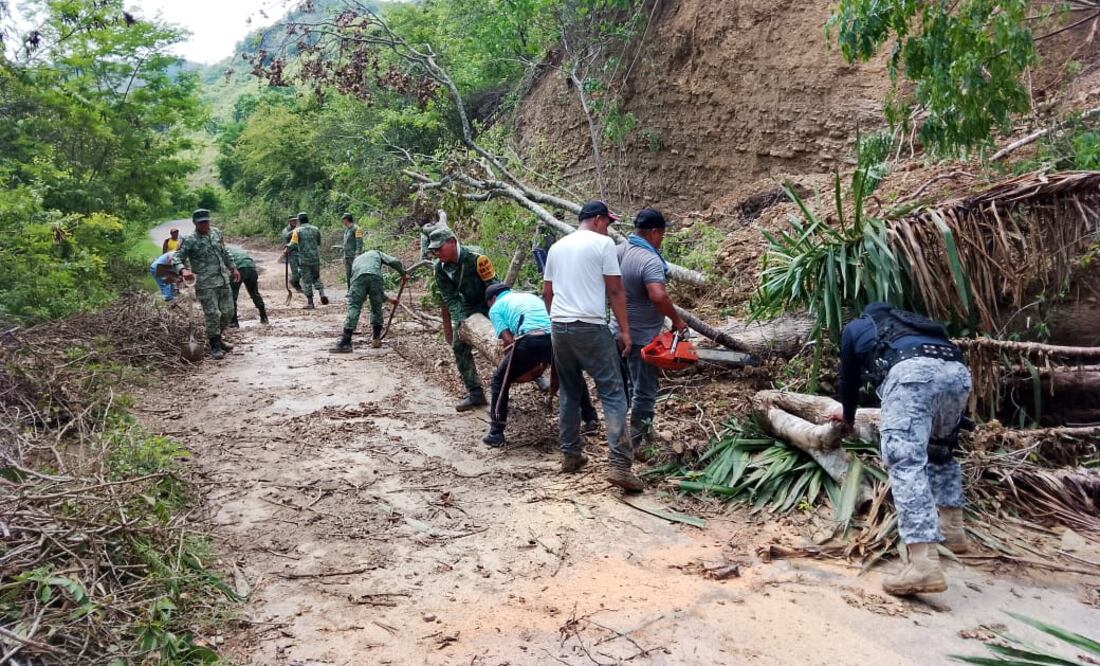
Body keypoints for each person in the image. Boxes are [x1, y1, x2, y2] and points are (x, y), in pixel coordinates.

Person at [831, 302, 972, 596]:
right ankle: (953, 531)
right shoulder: (913, 324)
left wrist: (847, 416)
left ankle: (924, 564)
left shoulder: (857, 327)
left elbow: (849, 379)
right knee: (940, 451)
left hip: (912, 374)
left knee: (906, 462)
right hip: (957, 373)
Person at [543, 200, 640, 491]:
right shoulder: (603, 243)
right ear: (598, 220)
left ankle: (570, 454)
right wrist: (625, 331)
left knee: (571, 391)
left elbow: (547, 292)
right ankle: (620, 465)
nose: (608, 227)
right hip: (591, 325)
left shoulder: (557, 247)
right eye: (608, 222)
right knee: (612, 391)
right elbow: (615, 289)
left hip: (559, 326)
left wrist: (559, 322)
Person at [610, 208, 688, 459]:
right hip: (641, 337)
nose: (661, 240)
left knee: (624, 388)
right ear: (654, 232)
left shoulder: (618, 251)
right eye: (661, 235)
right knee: (644, 390)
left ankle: (631, 434)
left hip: (617, 332)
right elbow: (658, 295)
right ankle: (635, 443)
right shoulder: (649, 259)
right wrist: (676, 320)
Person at [482, 284, 598, 447]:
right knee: (571, 374)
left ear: (492, 299)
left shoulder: (495, 308)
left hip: (531, 340)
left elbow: (508, 341)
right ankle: (590, 417)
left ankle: (496, 432)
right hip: (557, 335)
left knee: (498, 381)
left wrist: (515, 367)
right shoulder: (529, 296)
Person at [427, 227, 498, 411]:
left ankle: (536, 376)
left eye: (439, 249)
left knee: (508, 338)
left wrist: (496, 313)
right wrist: (461, 320)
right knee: (459, 346)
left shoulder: (477, 258)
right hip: (467, 307)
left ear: (452, 242)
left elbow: (493, 287)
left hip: (490, 301)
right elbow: (450, 297)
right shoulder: (440, 269)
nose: (436, 253)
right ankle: (475, 393)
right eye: (433, 250)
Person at [172, 209, 240, 360]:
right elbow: (176, 258)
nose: (205, 225)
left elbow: (225, 252)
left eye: (206, 221)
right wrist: (183, 270)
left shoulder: (216, 233)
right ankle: (214, 345)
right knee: (213, 314)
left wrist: (233, 268)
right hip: (205, 284)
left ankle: (219, 337)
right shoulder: (189, 239)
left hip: (222, 279)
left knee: (228, 312)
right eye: (201, 222)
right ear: (195, 223)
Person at [330, 249, 404, 352]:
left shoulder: (357, 260)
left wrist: (389, 300)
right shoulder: (376, 253)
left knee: (354, 307)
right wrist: (403, 273)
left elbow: (351, 278)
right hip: (375, 277)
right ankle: (376, 339)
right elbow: (394, 261)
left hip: (357, 279)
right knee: (376, 307)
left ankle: (346, 342)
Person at [288, 212, 328, 309]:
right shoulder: (316, 229)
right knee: (316, 277)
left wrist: (286, 248)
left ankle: (310, 302)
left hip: (304, 259)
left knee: (306, 280)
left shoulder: (297, 231)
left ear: (299, 220)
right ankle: (322, 293)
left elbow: (293, 244)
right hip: (315, 258)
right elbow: (318, 242)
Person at [226, 245, 268, 326]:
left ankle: (233, 322)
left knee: (232, 296)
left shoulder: (223, 249)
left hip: (239, 269)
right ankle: (264, 317)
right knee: (254, 293)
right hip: (251, 267)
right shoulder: (237, 248)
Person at [340, 213, 364, 285]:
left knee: (356, 274)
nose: (342, 222)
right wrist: (344, 255)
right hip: (347, 256)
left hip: (354, 256)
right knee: (348, 274)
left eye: (343, 220)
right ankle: (350, 290)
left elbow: (359, 242)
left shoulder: (357, 229)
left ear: (346, 220)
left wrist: (358, 254)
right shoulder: (347, 230)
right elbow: (346, 244)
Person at [281, 215, 302, 293]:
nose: (295, 222)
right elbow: (286, 236)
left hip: (300, 251)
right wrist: (295, 231)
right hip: (291, 253)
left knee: (303, 269)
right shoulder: (286, 230)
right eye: (293, 221)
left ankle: (293, 281)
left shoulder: (298, 229)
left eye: (295, 220)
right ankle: (297, 286)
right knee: (295, 271)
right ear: (289, 222)